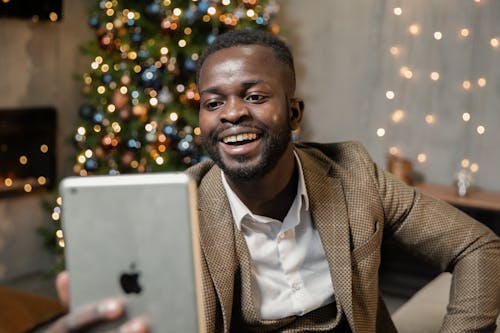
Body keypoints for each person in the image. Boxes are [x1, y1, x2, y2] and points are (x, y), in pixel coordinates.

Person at [48, 29, 499, 332]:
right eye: (213, 102)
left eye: (255, 96)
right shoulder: (178, 209)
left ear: (295, 113)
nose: (232, 113)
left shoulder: (353, 173)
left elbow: (479, 247)